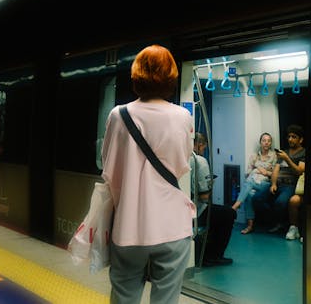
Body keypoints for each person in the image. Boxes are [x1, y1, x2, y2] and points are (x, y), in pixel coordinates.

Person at [101, 44, 196, 304]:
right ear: (171, 79)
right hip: (173, 226)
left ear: (136, 76)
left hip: (129, 225)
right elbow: (182, 165)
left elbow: (108, 168)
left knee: (124, 296)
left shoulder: (118, 115)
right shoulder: (183, 116)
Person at [191, 132, 236, 267]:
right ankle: (213, 256)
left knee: (218, 213)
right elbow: (205, 196)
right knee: (229, 213)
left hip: (177, 210)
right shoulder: (199, 161)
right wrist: (211, 185)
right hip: (195, 211)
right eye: (204, 147)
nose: (203, 150)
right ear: (199, 145)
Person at [231, 132, 277, 234]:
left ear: (271, 143)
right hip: (253, 182)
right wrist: (259, 170)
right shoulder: (254, 156)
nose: (266, 143)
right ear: (260, 142)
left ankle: (236, 205)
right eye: (264, 140)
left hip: (266, 184)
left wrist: (263, 171)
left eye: (269, 141)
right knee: (249, 195)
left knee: (249, 182)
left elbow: (274, 174)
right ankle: (250, 225)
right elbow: (247, 173)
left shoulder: (274, 156)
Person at [269, 124, 305, 240]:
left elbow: (299, 171)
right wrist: (273, 184)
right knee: (257, 197)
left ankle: (285, 224)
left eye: (294, 137)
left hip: (290, 185)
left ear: (301, 139)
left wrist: (287, 159)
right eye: (289, 136)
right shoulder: (284, 152)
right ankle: (279, 222)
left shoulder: (303, 153)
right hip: (278, 183)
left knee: (280, 202)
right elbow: (276, 169)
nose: (290, 139)